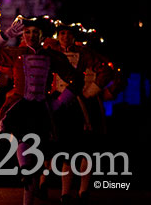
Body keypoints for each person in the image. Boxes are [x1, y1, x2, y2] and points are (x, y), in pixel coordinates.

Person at [0, 15, 84, 205]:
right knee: (24, 141)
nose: (31, 36)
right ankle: (26, 175)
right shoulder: (16, 54)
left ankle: (34, 186)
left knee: (40, 152)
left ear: (42, 35)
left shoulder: (51, 56)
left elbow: (77, 79)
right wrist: (5, 34)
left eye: (35, 32)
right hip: (21, 106)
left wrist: (61, 100)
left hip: (43, 108)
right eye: (27, 32)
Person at [48, 22, 115, 203]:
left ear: (74, 36)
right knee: (64, 151)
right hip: (61, 105)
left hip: (83, 105)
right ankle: (64, 192)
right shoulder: (51, 51)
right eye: (61, 33)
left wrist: (90, 91)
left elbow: (106, 71)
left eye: (68, 34)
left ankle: (83, 191)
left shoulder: (85, 53)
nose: (65, 37)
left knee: (86, 149)